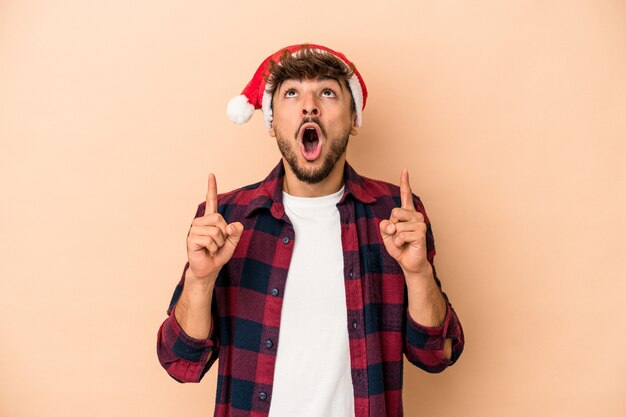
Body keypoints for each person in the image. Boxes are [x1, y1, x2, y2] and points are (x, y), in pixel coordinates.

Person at [157, 43, 464, 417]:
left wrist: (418, 274)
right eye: (291, 93)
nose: (309, 105)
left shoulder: (395, 216)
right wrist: (200, 282)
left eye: (328, 92)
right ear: (271, 122)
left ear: (353, 119)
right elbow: (179, 361)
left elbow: (437, 353)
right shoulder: (227, 218)